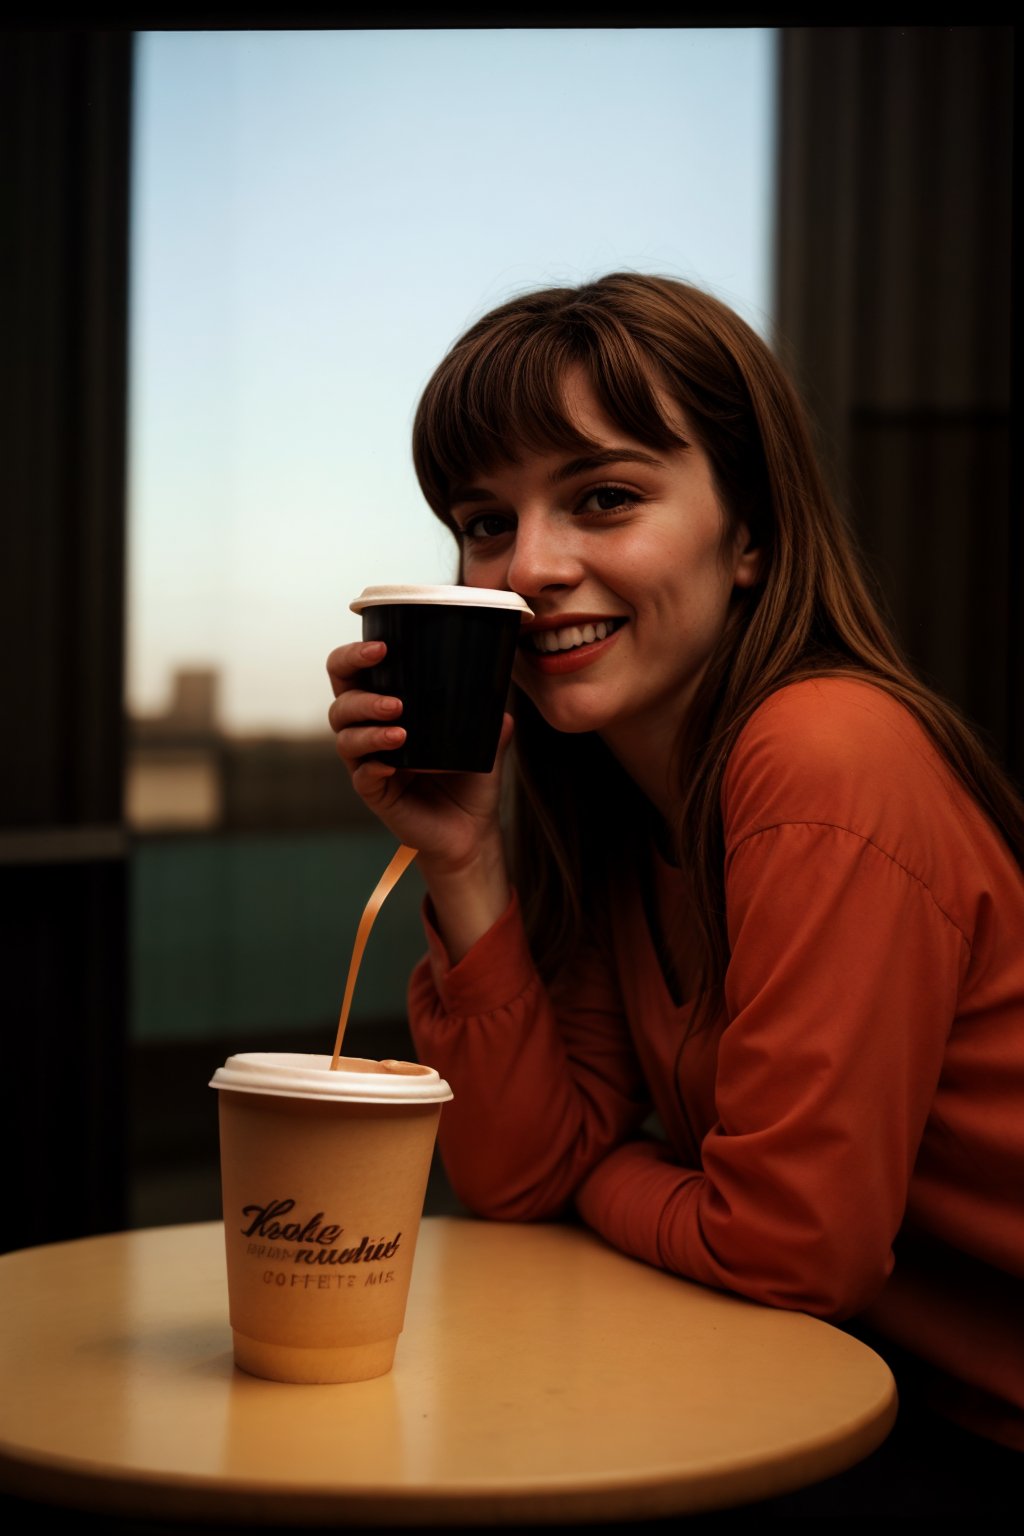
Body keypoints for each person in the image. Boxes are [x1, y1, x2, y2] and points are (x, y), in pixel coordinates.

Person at [327, 274, 1024, 1478]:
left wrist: (609, 1173)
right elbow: (519, 1171)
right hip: (842, 1390)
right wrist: (464, 860)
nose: (527, 568)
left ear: (747, 531)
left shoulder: (822, 755)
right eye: (485, 521)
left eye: (603, 498)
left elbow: (789, 1254)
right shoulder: (616, 801)